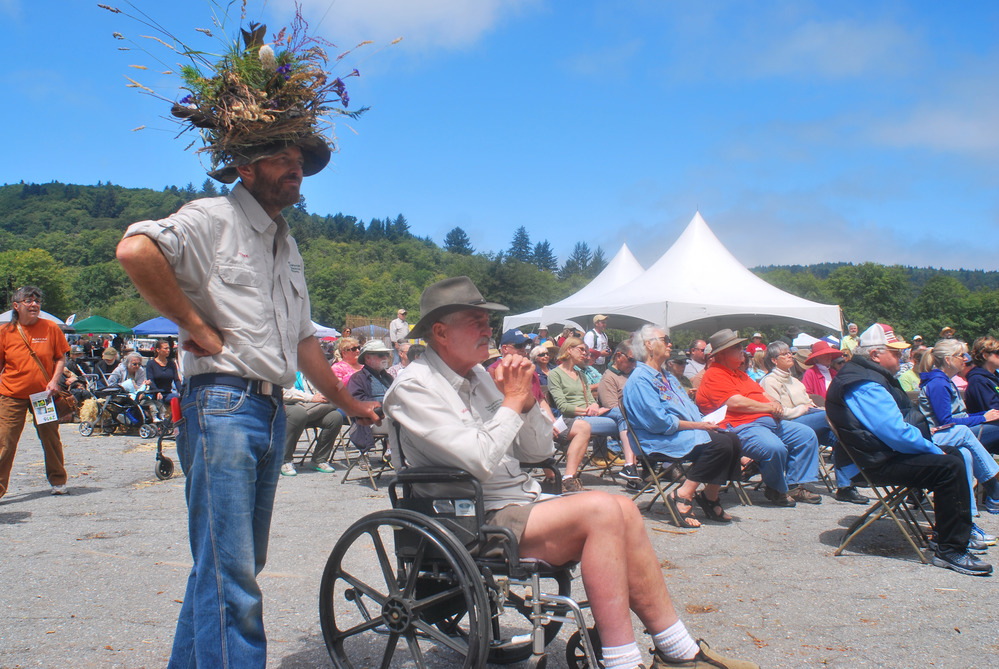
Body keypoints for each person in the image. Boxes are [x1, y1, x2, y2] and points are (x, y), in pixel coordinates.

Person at [115, 82, 379, 669]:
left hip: (265, 408)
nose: (296, 170)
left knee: (229, 563)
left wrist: (350, 402)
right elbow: (135, 250)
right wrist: (190, 322)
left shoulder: (287, 245)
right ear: (244, 164)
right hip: (222, 405)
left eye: (300, 161)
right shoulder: (213, 217)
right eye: (281, 158)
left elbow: (305, 341)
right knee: (232, 570)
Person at [383, 276, 759, 669]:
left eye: (487, 320)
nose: (487, 329)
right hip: (464, 517)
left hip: (514, 502)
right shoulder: (413, 387)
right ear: (440, 332)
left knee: (625, 509)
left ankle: (677, 649)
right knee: (601, 510)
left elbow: (538, 451)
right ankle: (621, 660)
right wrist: (512, 401)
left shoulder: (479, 375)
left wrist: (526, 404)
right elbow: (479, 461)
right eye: (475, 321)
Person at [825, 324, 992, 575]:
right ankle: (950, 550)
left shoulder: (867, 375)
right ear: (875, 355)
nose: (902, 356)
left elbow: (895, 430)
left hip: (879, 453)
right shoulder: (863, 382)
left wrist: (935, 448)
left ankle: (949, 533)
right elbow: (895, 432)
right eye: (895, 351)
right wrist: (934, 450)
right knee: (949, 465)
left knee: (955, 454)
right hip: (873, 462)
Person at [623, 325, 742, 526]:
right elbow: (657, 422)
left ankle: (709, 497)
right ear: (649, 345)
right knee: (718, 444)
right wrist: (698, 426)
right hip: (657, 438)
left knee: (732, 439)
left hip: (680, 432)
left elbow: (689, 408)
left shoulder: (668, 376)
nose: (670, 344)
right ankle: (682, 495)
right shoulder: (640, 380)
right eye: (665, 339)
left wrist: (704, 422)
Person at [696, 329, 823, 507]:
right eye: (737, 347)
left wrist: (774, 403)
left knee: (806, 435)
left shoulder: (739, 373)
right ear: (723, 353)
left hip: (767, 423)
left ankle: (795, 485)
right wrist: (769, 407)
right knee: (775, 448)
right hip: (741, 426)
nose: (743, 350)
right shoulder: (715, 374)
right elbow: (734, 402)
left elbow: (762, 393)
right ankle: (775, 488)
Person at [759, 341, 868, 505]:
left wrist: (812, 408)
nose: (790, 355)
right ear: (774, 360)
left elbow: (809, 402)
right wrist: (803, 409)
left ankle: (846, 487)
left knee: (842, 436)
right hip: (787, 422)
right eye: (785, 354)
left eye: (790, 352)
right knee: (832, 414)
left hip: (810, 418)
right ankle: (795, 484)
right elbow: (778, 411)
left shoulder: (795, 381)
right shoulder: (769, 381)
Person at [0, 286, 71, 498]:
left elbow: (60, 357)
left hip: (43, 395)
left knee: (50, 437)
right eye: (29, 301)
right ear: (16, 305)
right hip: (11, 394)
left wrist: (54, 381)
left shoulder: (50, 327)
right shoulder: (5, 332)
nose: (34, 305)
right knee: (5, 441)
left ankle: (58, 481)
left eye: (37, 301)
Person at [549, 337, 618, 492]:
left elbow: (590, 398)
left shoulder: (581, 375)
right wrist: (588, 411)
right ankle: (637, 465)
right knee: (621, 421)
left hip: (588, 416)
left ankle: (633, 465)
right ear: (569, 349)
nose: (585, 354)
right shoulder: (555, 374)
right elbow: (563, 406)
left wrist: (594, 406)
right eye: (582, 350)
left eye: (586, 351)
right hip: (570, 419)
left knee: (622, 414)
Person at [279, 371, 345, 476]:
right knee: (299, 414)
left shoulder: (313, 368)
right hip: (290, 405)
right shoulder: (287, 367)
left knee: (335, 417)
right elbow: (283, 393)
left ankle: (319, 459)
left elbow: (322, 391)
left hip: (313, 407)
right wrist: (311, 398)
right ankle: (284, 460)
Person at [596, 340, 642, 483]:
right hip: (620, 417)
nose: (634, 364)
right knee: (627, 417)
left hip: (637, 417)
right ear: (619, 356)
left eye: (636, 361)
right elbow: (611, 406)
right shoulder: (609, 377)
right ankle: (632, 466)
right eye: (631, 360)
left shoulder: (635, 374)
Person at [346, 339, 395, 456]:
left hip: (391, 416)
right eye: (380, 354)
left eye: (386, 354)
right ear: (368, 358)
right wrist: (382, 405)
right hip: (371, 420)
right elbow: (356, 402)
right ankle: (395, 451)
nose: (385, 357)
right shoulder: (358, 378)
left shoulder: (388, 378)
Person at [965, 336, 999, 414]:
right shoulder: (978, 380)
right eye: (998, 352)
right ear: (985, 355)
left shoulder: (994, 377)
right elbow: (993, 411)